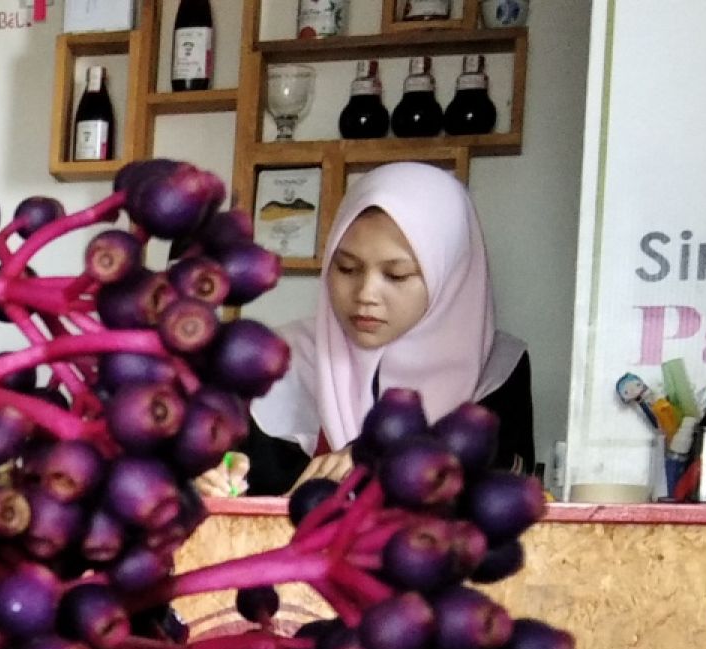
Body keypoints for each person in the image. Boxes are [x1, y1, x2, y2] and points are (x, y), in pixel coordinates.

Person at [194, 162, 535, 498]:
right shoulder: (275, 360)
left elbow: (498, 504)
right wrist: (206, 476)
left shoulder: (496, 370)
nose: (365, 295)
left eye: (397, 275)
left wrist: (379, 462)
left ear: (452, 276)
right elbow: (227, 465)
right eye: (347, 268)